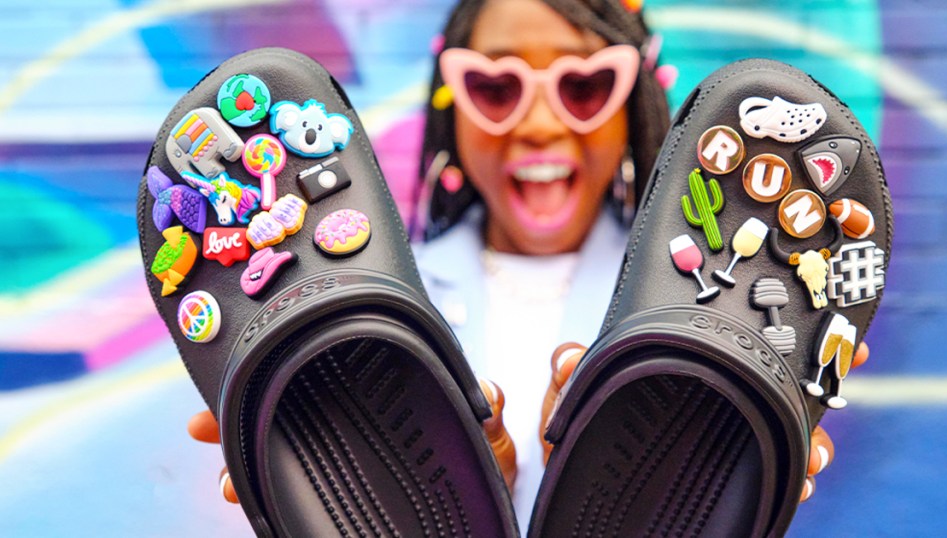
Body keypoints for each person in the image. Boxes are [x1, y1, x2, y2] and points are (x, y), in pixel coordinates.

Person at [189, 0, 869, 530]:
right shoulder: (413, 278)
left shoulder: (717, 273)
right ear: (450, 106)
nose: (539, 124)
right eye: (493, 87)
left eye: (583, 86)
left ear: (631, 102)